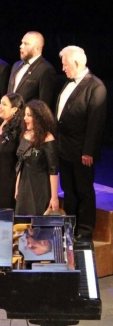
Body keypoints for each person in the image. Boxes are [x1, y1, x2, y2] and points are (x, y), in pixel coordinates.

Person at [56, 46, 107, 241]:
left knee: (84, 191)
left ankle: (85, 232)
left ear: (76, 63)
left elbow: (96, 122)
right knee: (69, 191)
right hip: (64, 148)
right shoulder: (68, 83)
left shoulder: (96, 87)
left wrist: (88, 151)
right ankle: (70, 229)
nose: (63, 68)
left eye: (65, 64)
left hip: (81, 152)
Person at [15, 100, 59, 216]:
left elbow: (53, 170)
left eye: (29, 115)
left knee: (37, 220)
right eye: (25, 114)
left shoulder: (48, 138)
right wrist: (17, 186)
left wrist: (54, 197)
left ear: (39, 117)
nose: (25, 118)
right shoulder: (25, 135)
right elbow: (21, 163)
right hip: (24, 185)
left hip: (40, 188)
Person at [7, 31, 57, 110]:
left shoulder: (46, 69)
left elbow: (44, 104)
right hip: (11, 115)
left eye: (26, 44)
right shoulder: (16, 65)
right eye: (22, 43)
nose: (21, 46)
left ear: (37, 48)